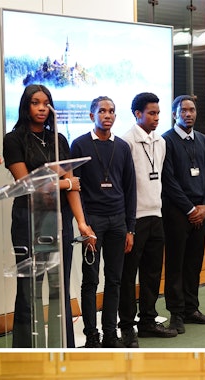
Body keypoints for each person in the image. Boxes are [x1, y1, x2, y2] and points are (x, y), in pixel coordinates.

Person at [3, 83, 93, 348]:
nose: (42, 108)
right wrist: (65, 183)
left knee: (60, 288)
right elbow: (26, 184)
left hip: (59, 220)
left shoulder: (59, 139)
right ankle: (25, 349)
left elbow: (72, 183)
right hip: (28, 220)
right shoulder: (14, 139)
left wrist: (82, 222)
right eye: (35, 102)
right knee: (29, 289)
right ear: (26, 105)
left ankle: (63, 346)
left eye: (46, 103)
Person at [69, 97, 137, 347]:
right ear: (91, 115)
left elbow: (131, 189)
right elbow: (74, 189)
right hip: (93, 223)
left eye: (111, 111)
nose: (107, 115)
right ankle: (92, 336)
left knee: (115, 280)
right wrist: (84, 224)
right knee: (91, 281)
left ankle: (110, 334)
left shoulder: (122, 147)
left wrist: (131, 228)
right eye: (102, 111)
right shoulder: (79, 145)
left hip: (118, 221)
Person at [119, 92, 176, 344]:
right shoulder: (126, 142)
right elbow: (124, 185)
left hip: (156, 214)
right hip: (134, 218)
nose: (156, 118)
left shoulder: (161, 142)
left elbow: (159, 176)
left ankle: (148, 320)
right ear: (137, 114)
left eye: (158, 113)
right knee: (128, 275)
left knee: (152, 273)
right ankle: (127, 326)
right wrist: (127, 223)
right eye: (151, 113)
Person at [161, 95, 205, 334]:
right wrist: (190, 208)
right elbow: (168, 180)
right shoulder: (166, 140)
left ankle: (191, 308)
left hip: (200, 212)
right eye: (183, 110)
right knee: (176, 264)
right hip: (177, 211)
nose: (188, 114)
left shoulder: (203, 140)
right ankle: (176, 313)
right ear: (175, 113)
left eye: (192, 110)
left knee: (194, 262)